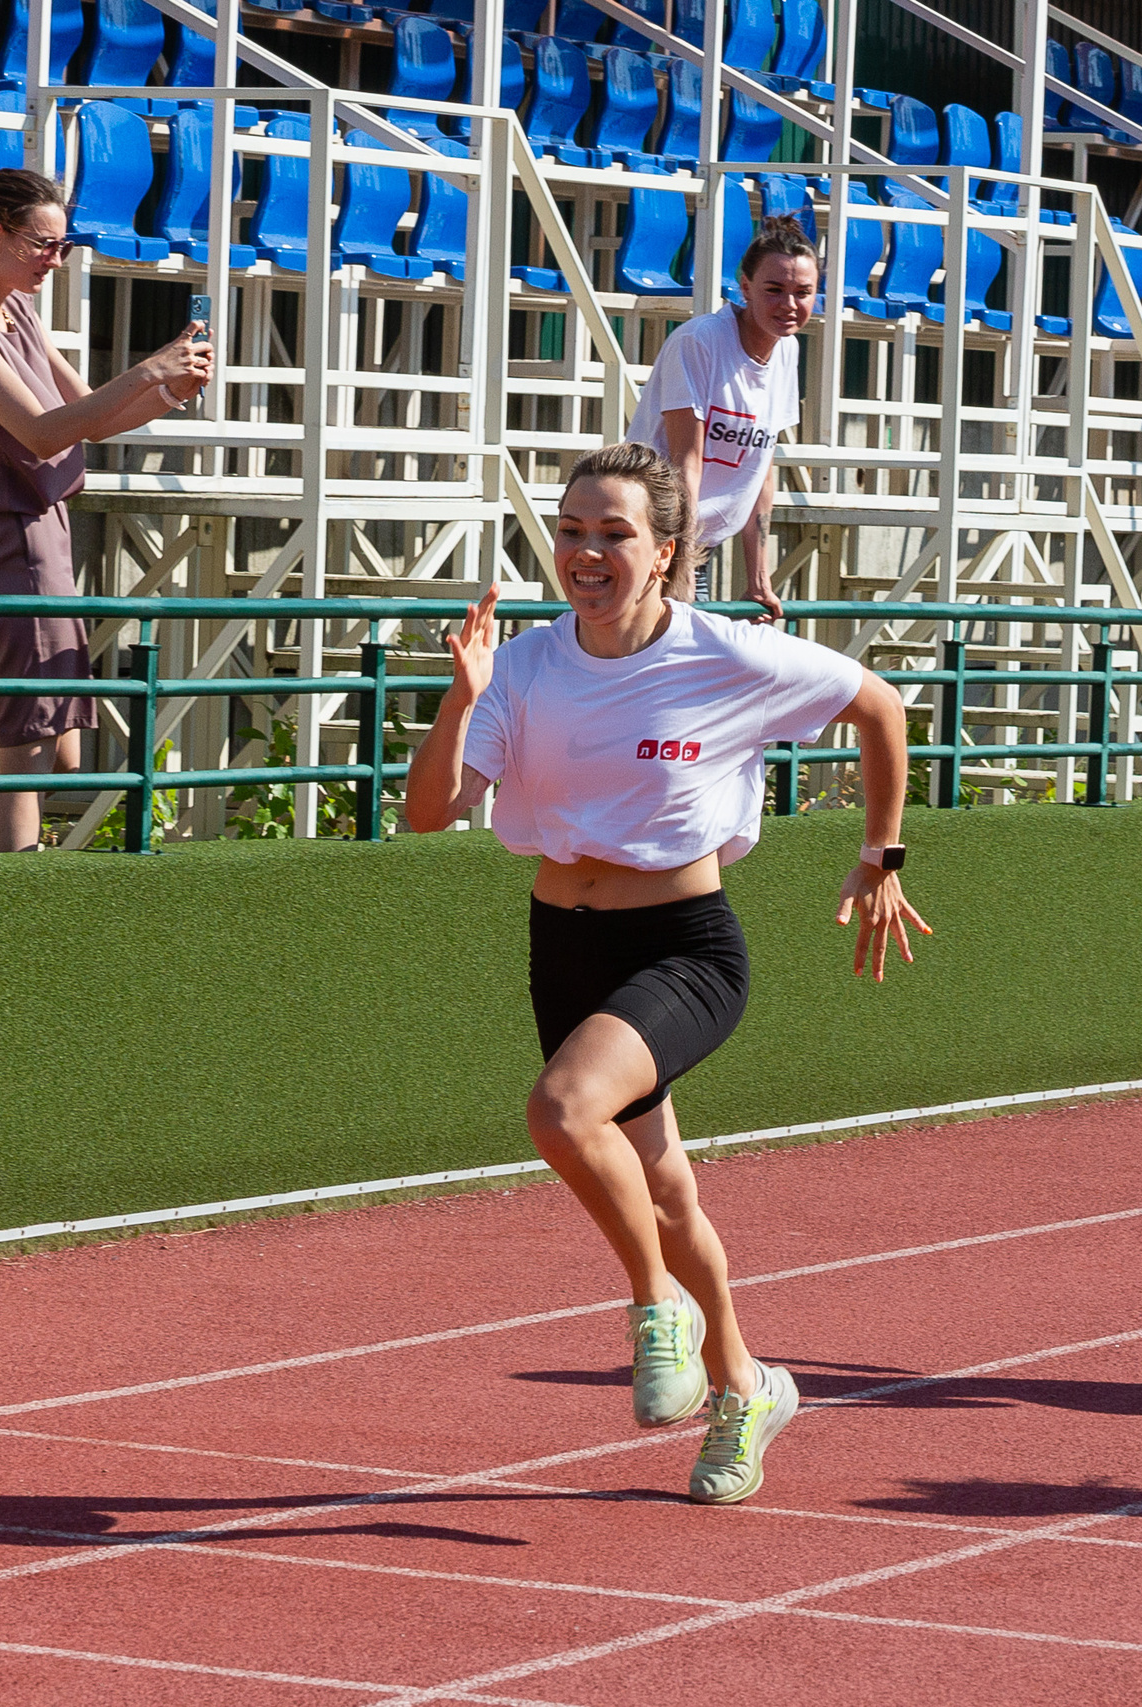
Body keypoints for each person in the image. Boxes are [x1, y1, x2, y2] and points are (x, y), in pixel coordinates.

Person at [405, 442, 930, 1505]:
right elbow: (428, 812)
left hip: (684, 948)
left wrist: (881, 856)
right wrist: (459, 701)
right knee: (666, 1186)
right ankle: (747, 1385)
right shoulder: (522, 666)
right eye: (571, 530)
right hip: (563, 947)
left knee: (560, 1113)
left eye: (614, 533)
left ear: (667, 550)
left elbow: (879, 707)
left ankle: (657, 1309)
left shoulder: (726, 655)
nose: (586, 552)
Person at [0, 169, 212, 854]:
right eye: (44, 245)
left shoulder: (14, 312)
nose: (55, 259)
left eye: (61, 245)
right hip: (11, 541)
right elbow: (43, 430)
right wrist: (152, 370)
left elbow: (89, 419)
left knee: (55, 750)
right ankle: (1, 906)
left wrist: (167, 387)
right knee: (30, 753)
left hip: (41, 537)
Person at [624, 215, 820, 623]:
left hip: (700, 544)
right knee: (649, 665)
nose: (788, 305)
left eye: (803, 293)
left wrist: (759, 579)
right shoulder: (700, 341)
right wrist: (676, 566)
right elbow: (685, 463)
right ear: (745, 287)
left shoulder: (787, 350)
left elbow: (761, 468)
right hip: (652, 538)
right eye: (774, 290)